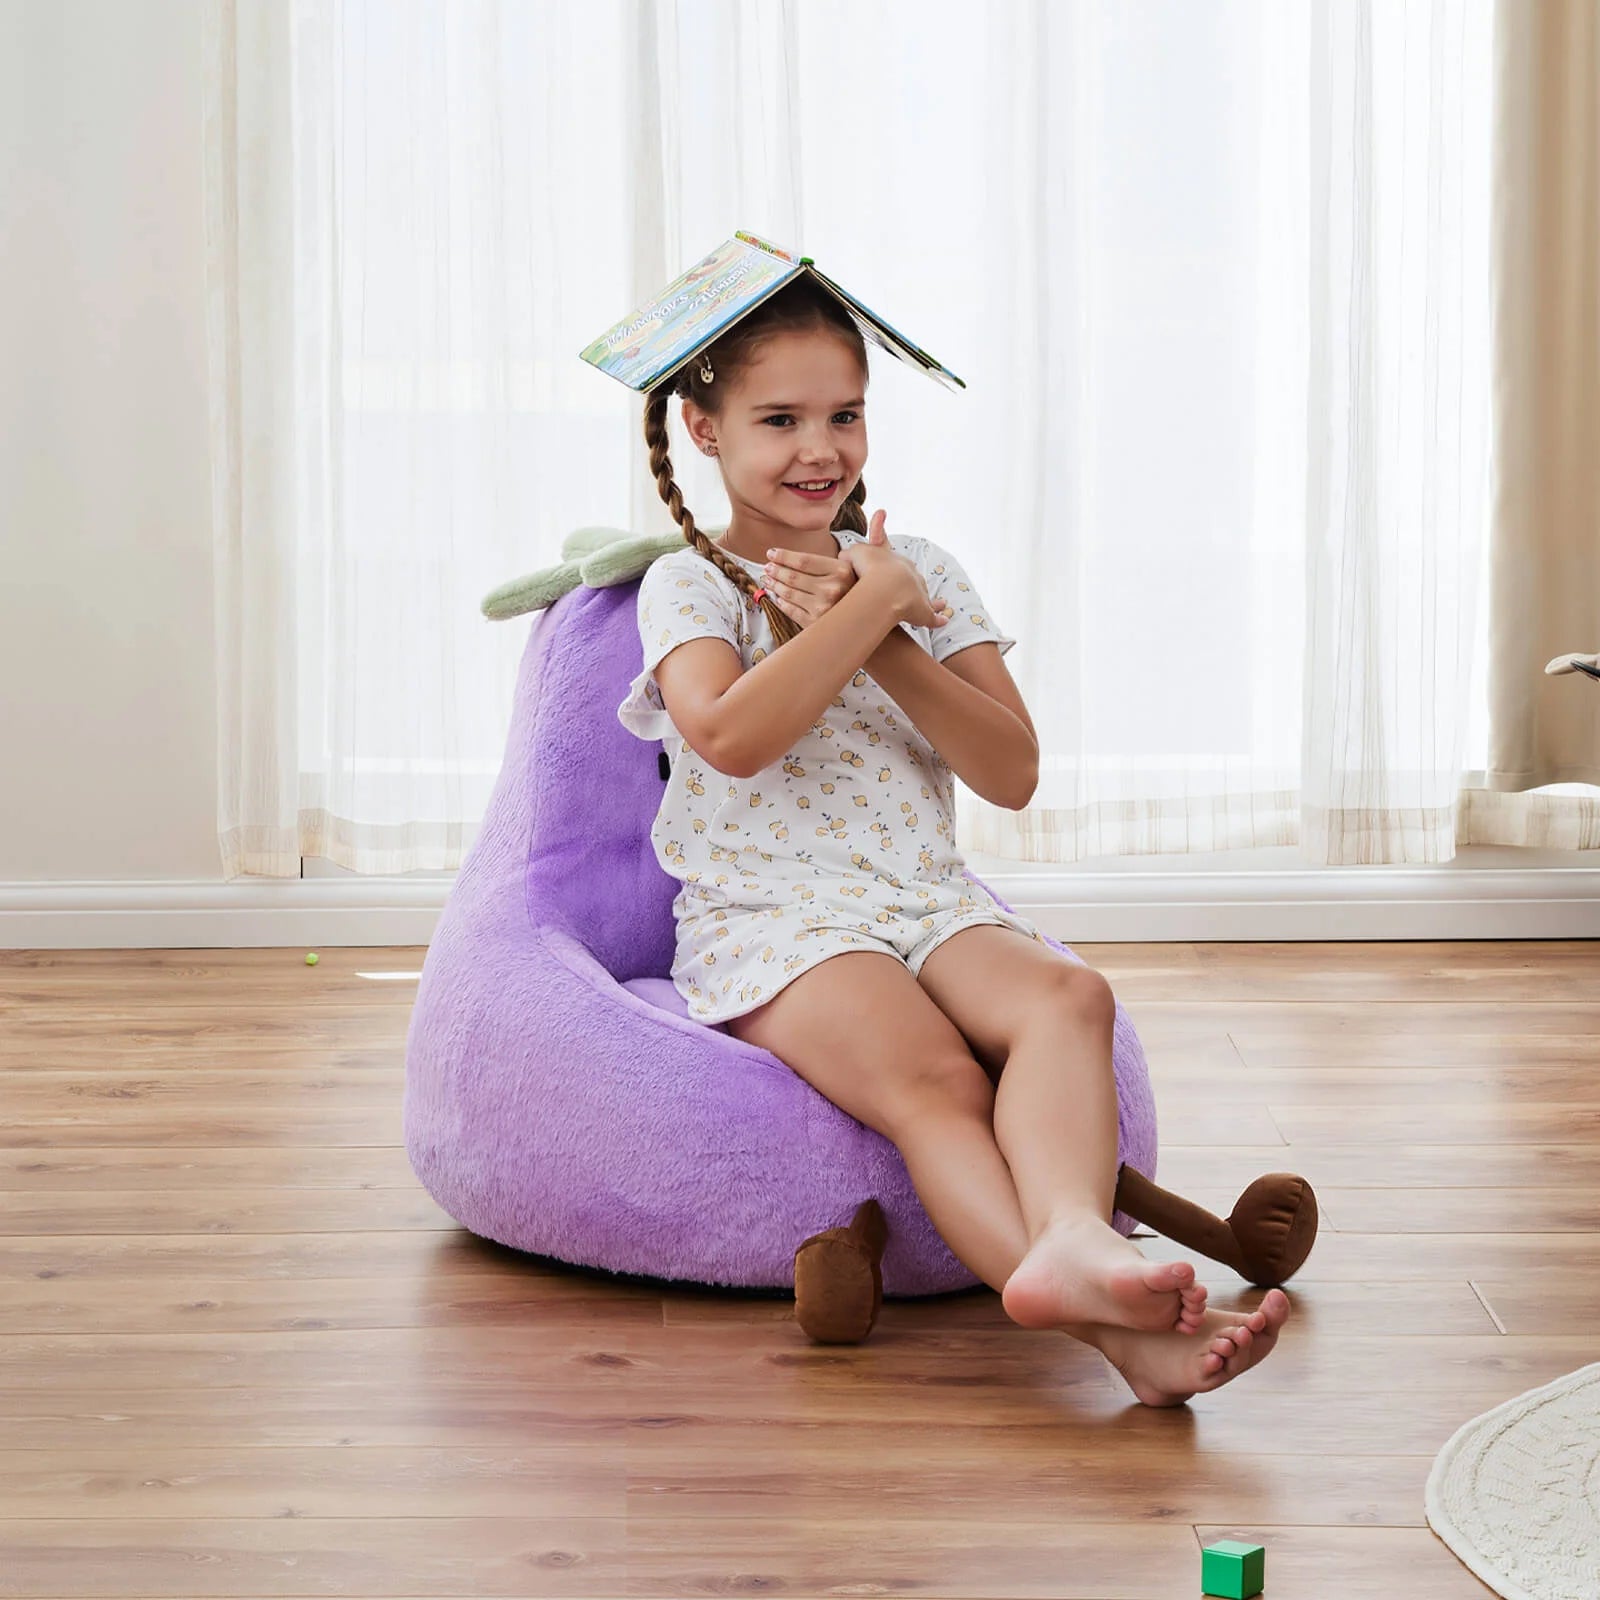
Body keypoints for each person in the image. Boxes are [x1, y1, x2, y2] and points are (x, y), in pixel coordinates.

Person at [615, 275, 1289, 1406]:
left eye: (843, 414)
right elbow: (730, 735)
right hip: (772, 916)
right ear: (704, 428)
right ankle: (1110, 1317)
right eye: (778, 420)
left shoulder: (917, 570)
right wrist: (861, 612)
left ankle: (1078, 1246)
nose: (817, 448)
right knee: (934, 1077)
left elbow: (1010, 770)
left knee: (1070, 1000)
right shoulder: (690, 583)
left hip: (926, 896)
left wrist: (885, 622)